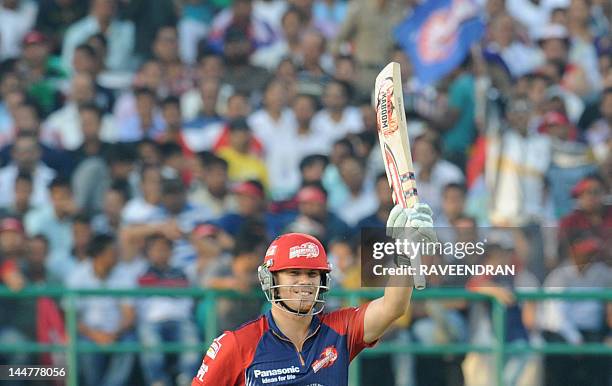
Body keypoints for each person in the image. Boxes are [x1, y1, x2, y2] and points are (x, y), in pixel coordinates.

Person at [191, 202, 436, 385]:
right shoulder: (236, 344)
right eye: (294, 273)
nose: (305, 282)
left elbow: (393, 306)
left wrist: (407, 249)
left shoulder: (340, 330)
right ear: (270, 279)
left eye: (312, 274)